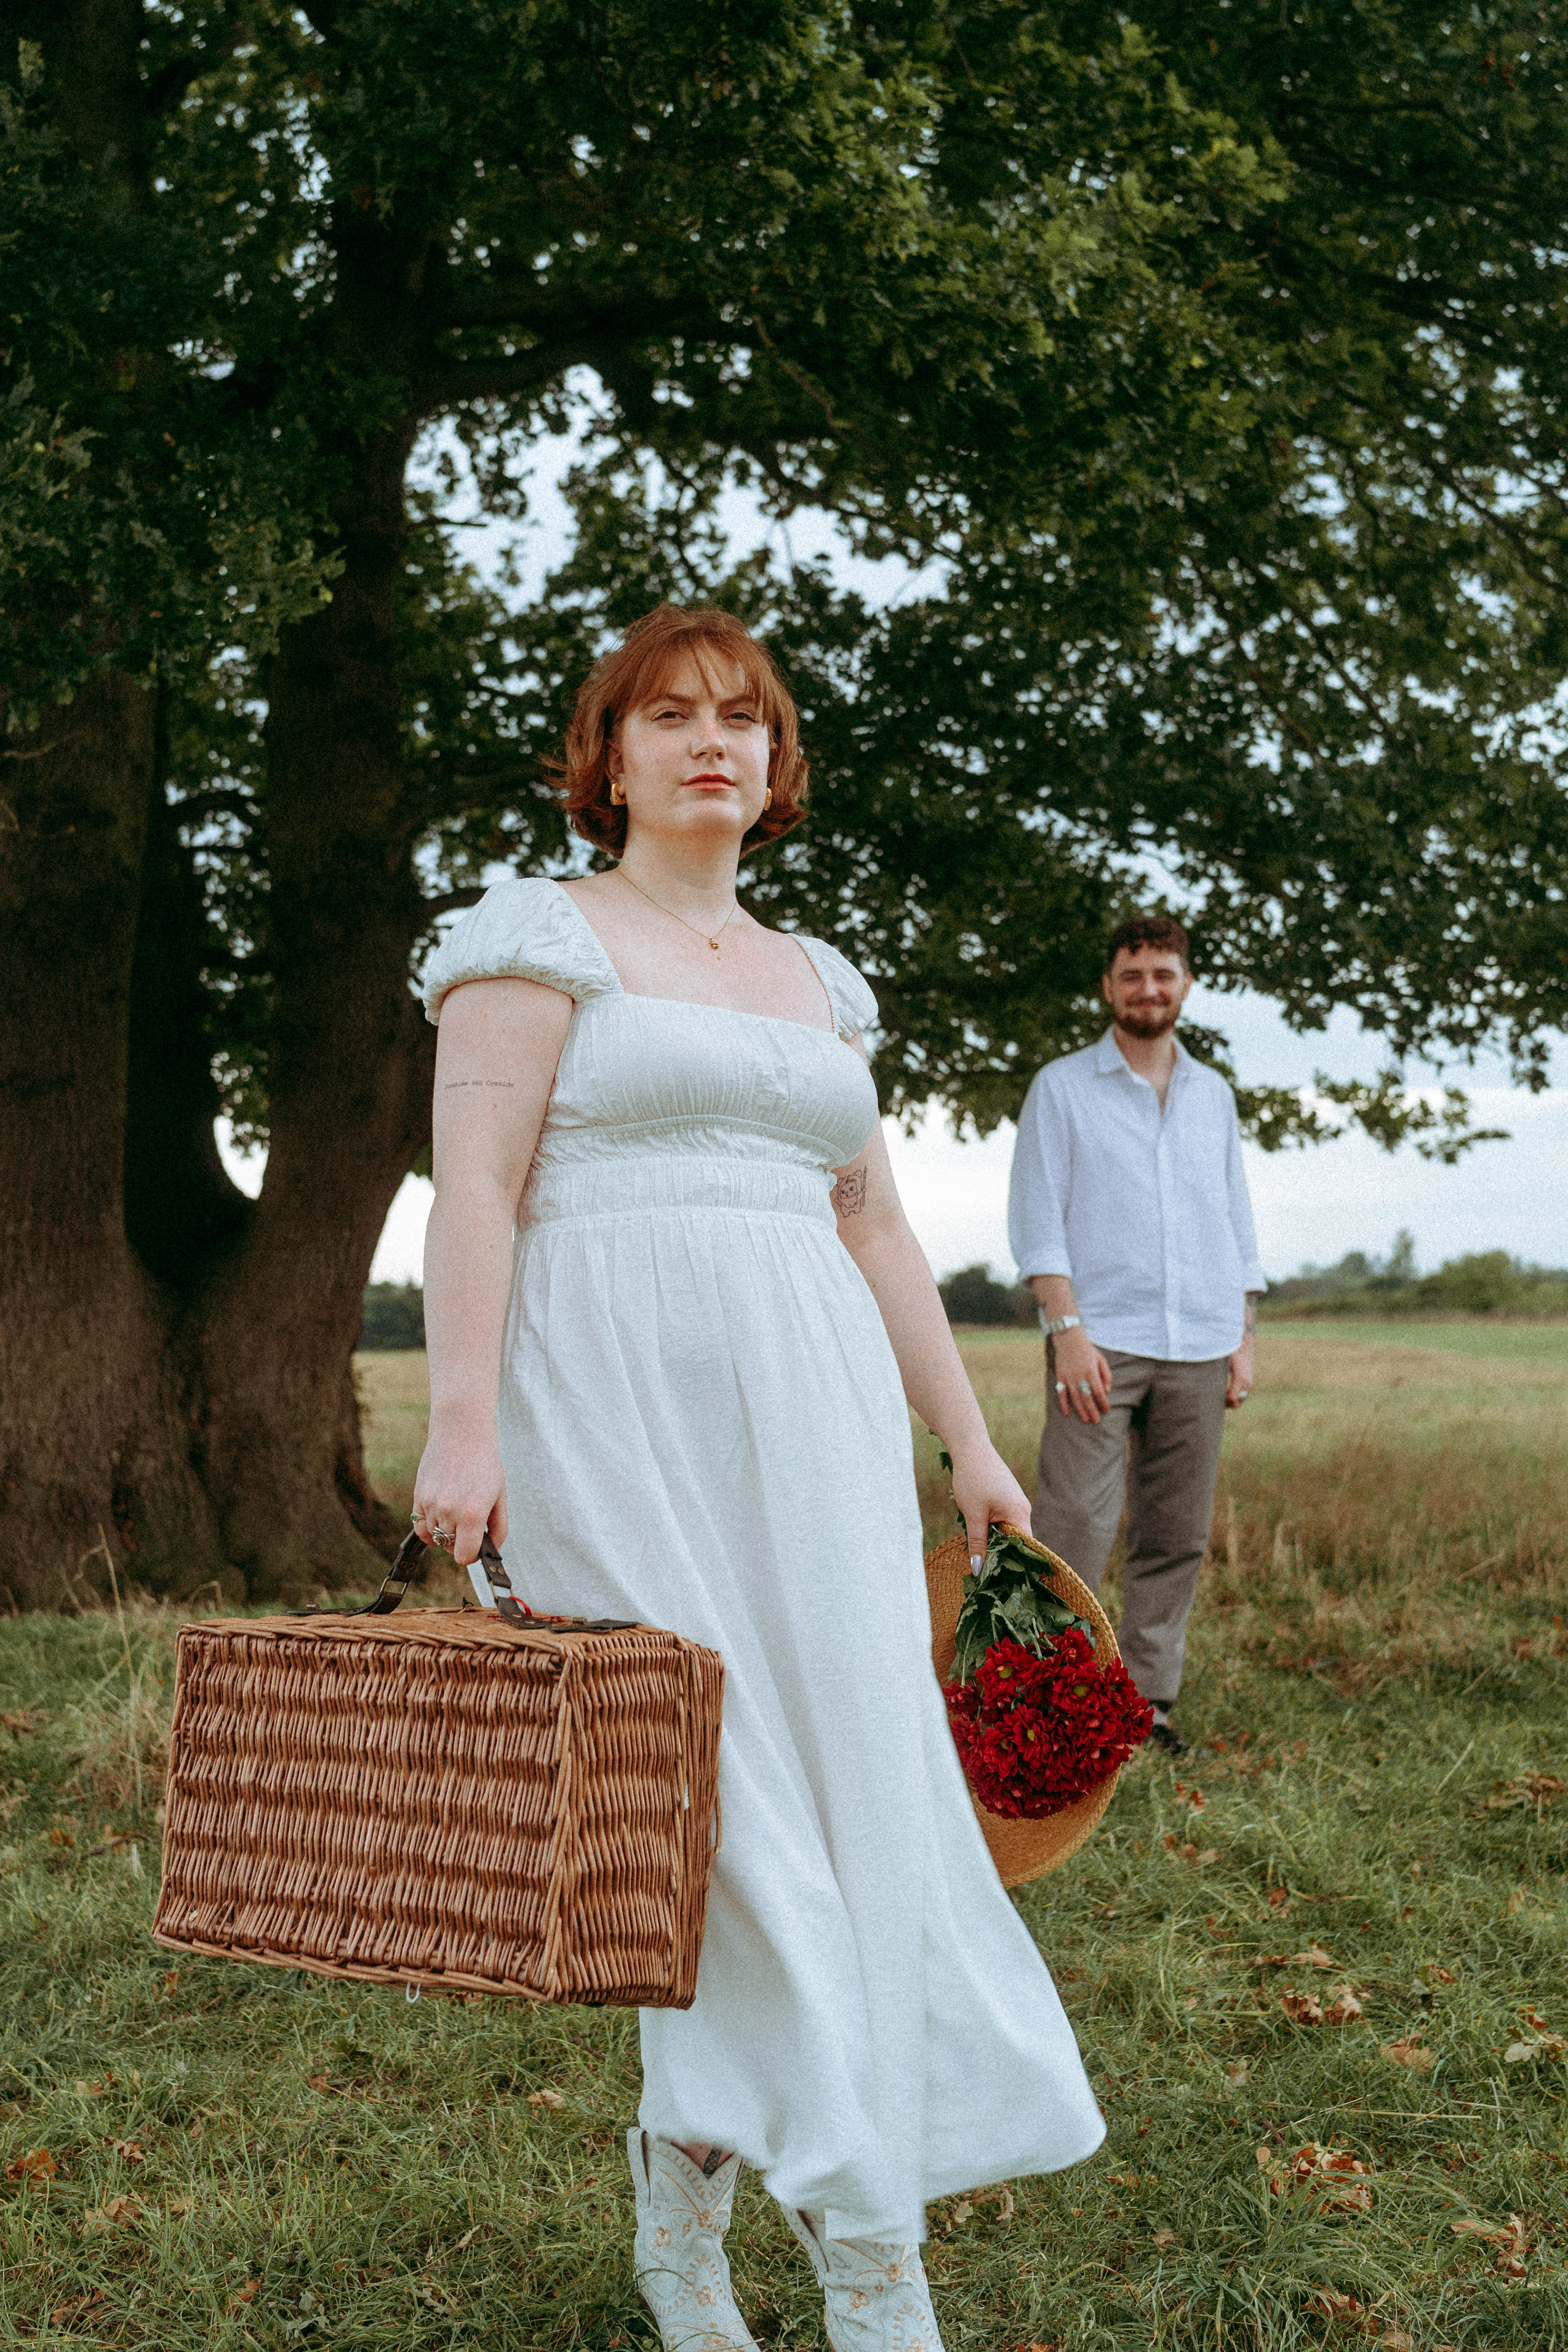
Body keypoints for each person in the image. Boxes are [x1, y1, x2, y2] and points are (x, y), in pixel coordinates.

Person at [411, 606, 1105, 2352]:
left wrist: (968, 1442)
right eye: (668, 716)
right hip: (611, 1411)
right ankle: (879, 2271)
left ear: (777, 764)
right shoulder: (531, 937)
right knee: (734, 1840)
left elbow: (874, 1225)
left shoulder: (819, 979)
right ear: (611, 755)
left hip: (814, 1430)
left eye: (743, 718)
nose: (710, 741)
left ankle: (679, 2203)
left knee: (843, 1814)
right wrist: (463, 1426)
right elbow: (476, 1194)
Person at [1007, 915, 1265, 1760]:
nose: (1148, 989)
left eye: (1164, 974)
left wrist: (1242, 1331)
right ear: (1108, 988)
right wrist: (1067, 1332)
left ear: (1186, 984)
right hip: (1099, 1343)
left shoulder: (1214, 1094)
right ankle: (1050, 1702)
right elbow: (1039, 1223)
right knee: (1074, 1527)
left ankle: (1147, 1704)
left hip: (1201, 1338)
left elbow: (1235, 1219)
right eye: (1132, 975)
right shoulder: (1063, 1087)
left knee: (1175, 1534)